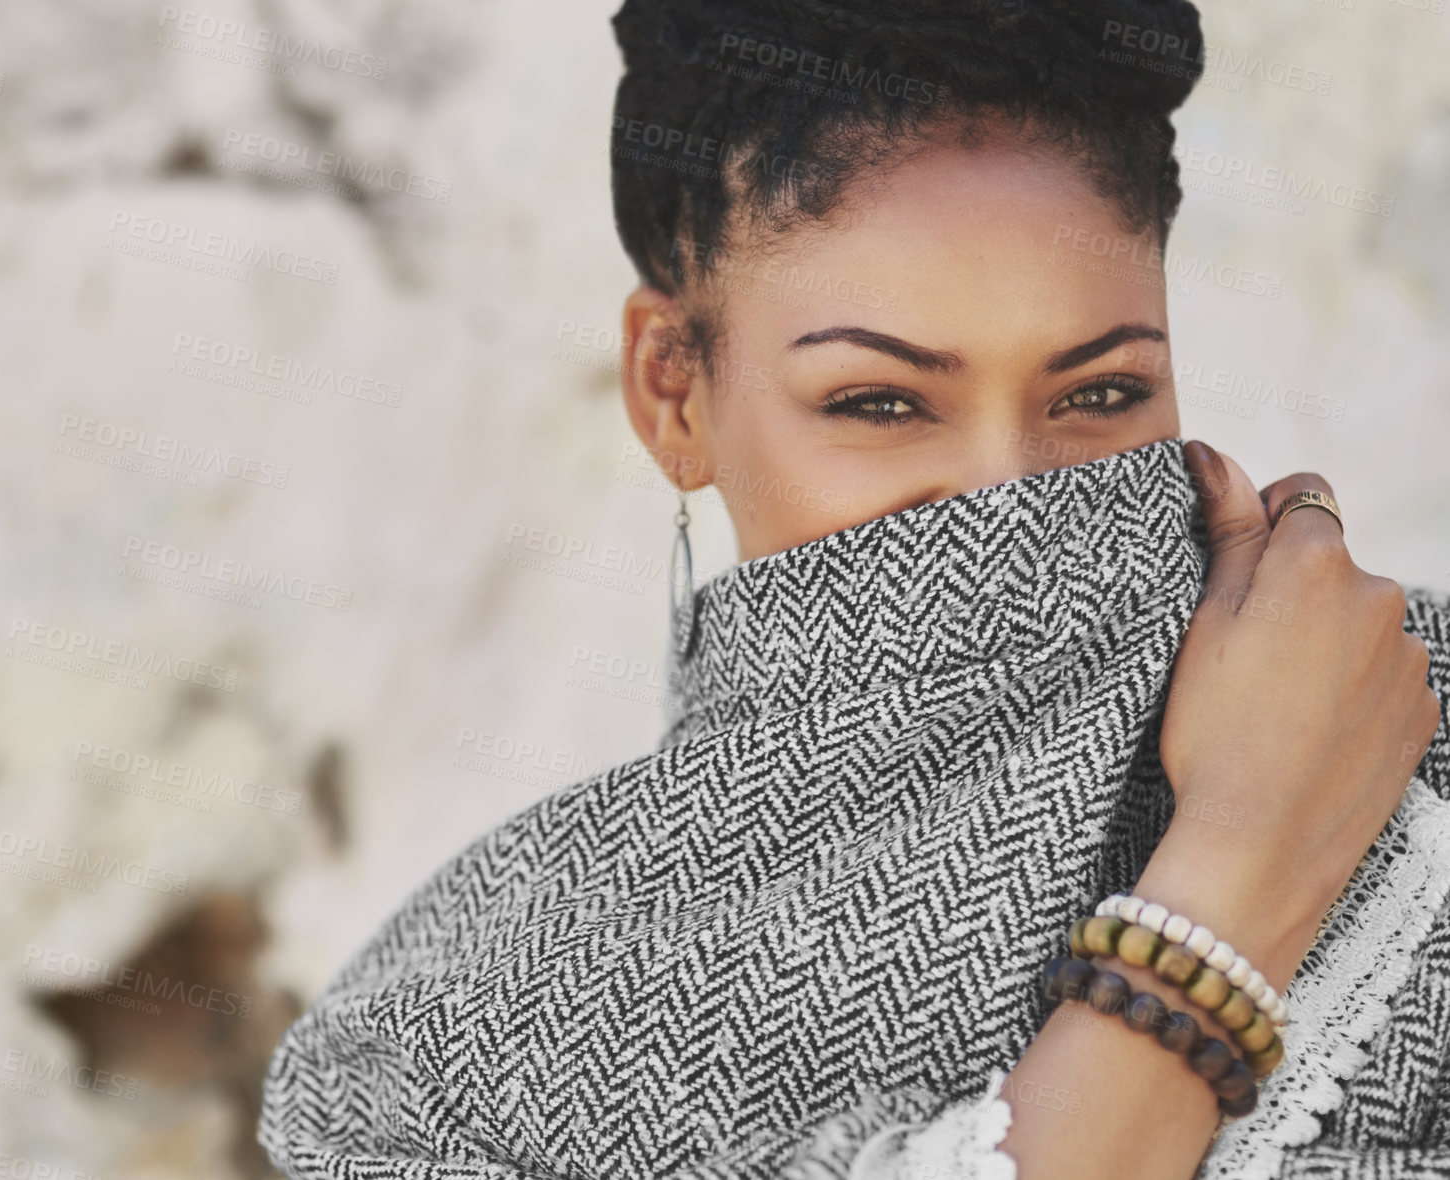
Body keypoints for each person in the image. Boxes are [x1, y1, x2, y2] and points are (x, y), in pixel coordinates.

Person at [261, 3, 1450, 1177]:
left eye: (1096, 396)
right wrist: (1241, 863)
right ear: (674, 393)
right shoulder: (421, 1071)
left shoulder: (1409, 717)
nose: (1004, 500)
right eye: (880, 404)